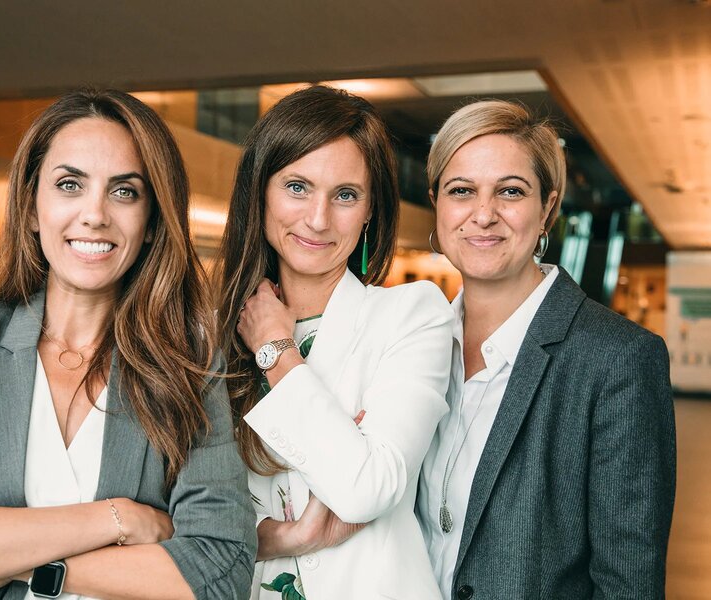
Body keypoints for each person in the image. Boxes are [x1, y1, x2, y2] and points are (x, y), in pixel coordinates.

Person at [0, 89, 256, 600]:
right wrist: (120, 519)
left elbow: (221, 568)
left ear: (154, 223)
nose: (94, 215)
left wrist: (10, 566)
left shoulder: (190, 363)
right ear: (31, 207)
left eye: (124, 192)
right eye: (70, 184)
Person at [415, 99, 676, 599]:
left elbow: (629, 585)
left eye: (510, 191)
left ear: (548, 208)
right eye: (461, 191)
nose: (483, 215)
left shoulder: (617, 360)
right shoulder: (413, 342)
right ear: (437, 203)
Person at [216, 85, 453, 599]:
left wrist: (275, 349)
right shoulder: (207, 333)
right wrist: (281, 538)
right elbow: (186, 524)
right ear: (260, 191)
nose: (319, 219)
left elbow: (366, 487)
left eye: (345, 195)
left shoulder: (411, 317)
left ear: (371, 210)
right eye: (297, 187)